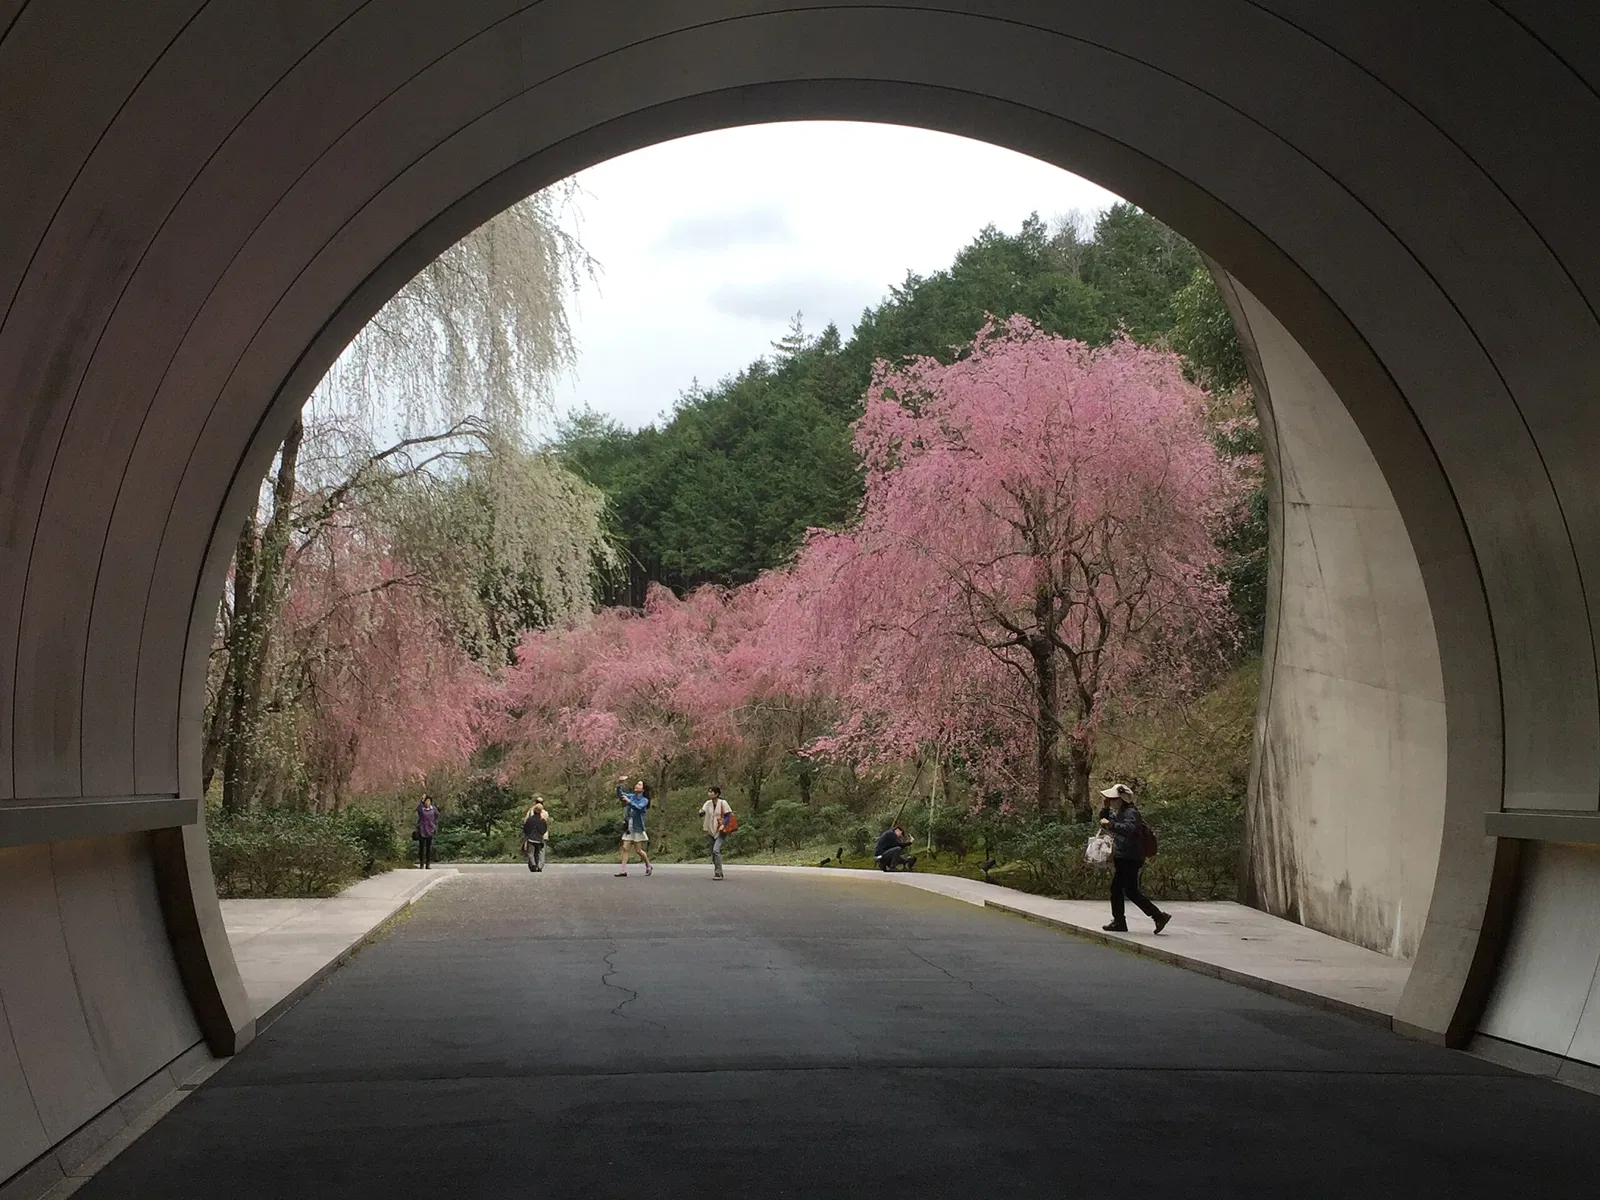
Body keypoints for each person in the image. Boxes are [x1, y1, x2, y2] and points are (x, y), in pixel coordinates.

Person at [1099, 783, 1170, 934]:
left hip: (1130, 857)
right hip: (1125, 856)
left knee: (1125, 890)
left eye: (1113, 799)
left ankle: (1156, 916)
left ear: (1122, 799)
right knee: (1124, 890)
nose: (1111, 801)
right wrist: (1105, 809)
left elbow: (1128, 830)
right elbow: (1104, 820)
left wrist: (1110, 824)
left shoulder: (1131, 812)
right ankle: (1124, 921)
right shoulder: (1122, 812)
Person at [616, 779, 653, 877]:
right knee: (625, 848)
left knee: (638, 850)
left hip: (637, 828)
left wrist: (629, 802)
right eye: (637, 783)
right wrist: (619, 784)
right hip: (629, 827)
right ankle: (623, 870)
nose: (636, 785)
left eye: (639, 784)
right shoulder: (631, 796)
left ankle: (648, 865)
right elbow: (621, 795)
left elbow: (638, 807)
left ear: (643, 789)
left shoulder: (644, 800)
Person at [699, 786, 732, 880]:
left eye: (712, 792)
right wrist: (701, 813)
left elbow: (728, 815)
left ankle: (718, 873)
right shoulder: (707, 803)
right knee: (713, 852)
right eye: (709, 792)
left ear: (717, 794)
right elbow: (703, 812)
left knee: (716, 850)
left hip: (720, 830)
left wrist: (723, 825)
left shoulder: (723, 803)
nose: (709, 793)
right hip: (710, 830)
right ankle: (718, 870)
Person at [522, 799, 550, 873]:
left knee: (531, 852)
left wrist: (527, 834)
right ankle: (540, 866)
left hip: (532, 835)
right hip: (542, 835)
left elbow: (525, 823)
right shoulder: (545, 813)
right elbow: (546, 825)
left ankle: (534, 865)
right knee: (541, 853)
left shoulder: (531, 811)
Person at [415, 793, 439, 870]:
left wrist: (434, 826)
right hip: (422, 830)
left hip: (430, 830)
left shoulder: (433, 809)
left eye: (429, 801)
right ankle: (421, 863)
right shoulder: (422, 809)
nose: (427, 803)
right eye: (426, 801)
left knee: (428, 848)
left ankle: (428, 864)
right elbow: (418, 808)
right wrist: (421, 800)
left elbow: (436, 816)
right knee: (421, 848)